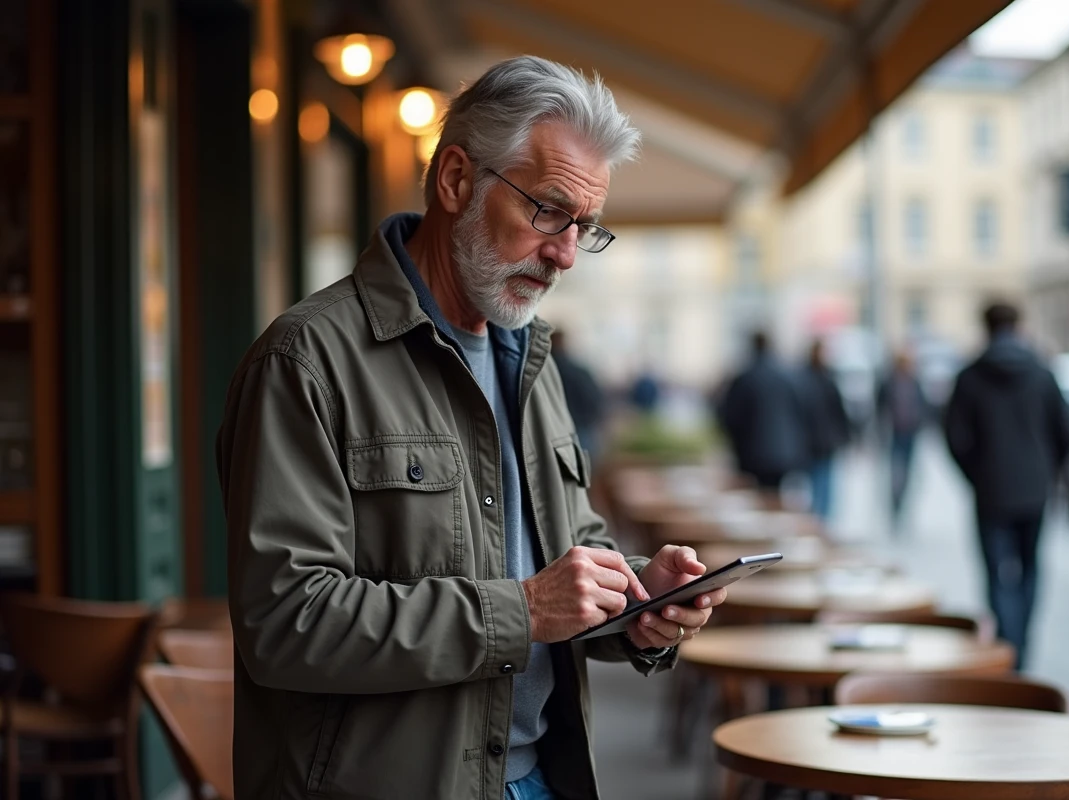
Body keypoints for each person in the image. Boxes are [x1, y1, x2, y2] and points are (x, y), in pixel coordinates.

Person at [216, 56, 727, 800]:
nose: (564, 254)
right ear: (456, 180)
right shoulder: (306, 362)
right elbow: (287, 621)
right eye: (547, 212)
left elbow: (568, 551)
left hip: (537, 779)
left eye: (584, 228)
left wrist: (637, 602)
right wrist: (519, 610)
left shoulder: (532, 356)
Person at [943, 302, 1069, 670]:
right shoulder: (1042, 372)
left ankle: (1006, 644)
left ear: (985, 327)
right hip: (1034, 490)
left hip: (990, 490)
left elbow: (954, 436)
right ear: (1019, 325)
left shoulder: (969, 376)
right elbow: (1066, 432)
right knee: (1030, 569)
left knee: (997, 573)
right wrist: (1049, 471)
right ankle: (1020, 648)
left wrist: (977, 474)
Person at [716, 331, 810, 491]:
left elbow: (730, 416)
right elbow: (802, 412)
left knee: (756, 497)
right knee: (774, 494)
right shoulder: (787, 375)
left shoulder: (745, 377)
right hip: (783, 451)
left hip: (753, 452)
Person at [798, 338, 850, 521]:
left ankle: (821, 521)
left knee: (825, 485)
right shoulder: (806, 379)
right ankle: (817, 520)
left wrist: (843, 436)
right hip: (813, 441)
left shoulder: (826, 379)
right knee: (817, 484)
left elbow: (839, 411)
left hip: (825, 441)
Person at [876, 349, 928, 525]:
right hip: (894, 433)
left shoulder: (914, 382)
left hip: (910, 433)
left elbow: (922, 405)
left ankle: (903, 504)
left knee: (908, 472)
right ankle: (895, 504)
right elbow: (880, 408)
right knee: (896, 473)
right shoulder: (889, 382)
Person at [550, 329, 607, 461]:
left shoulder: (540, 371)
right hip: (580, 430)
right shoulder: (579, 371)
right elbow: (596, 400)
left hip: (552, 432)